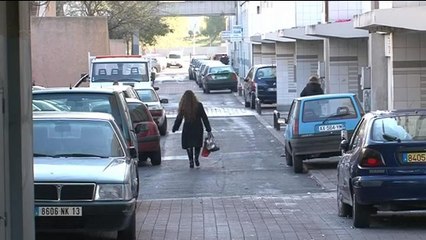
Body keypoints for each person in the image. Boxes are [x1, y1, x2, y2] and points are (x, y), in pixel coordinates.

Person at [172, 90, 212, 168]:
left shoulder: (183, 106)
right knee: (197, 144)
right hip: (198, 128)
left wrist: (175, 128)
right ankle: (196, 158)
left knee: (188, 145)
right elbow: (204, 117)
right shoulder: (199, 105)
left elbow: (179, 119)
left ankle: (190, 160)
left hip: (187, 128)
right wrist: (208, 129)